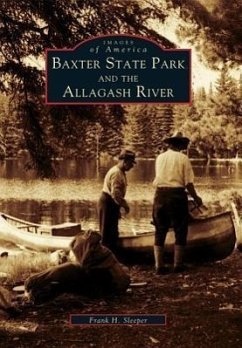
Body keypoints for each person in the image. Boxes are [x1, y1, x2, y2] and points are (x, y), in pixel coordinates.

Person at [152, 131, 203, 274]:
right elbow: (188, 183)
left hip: (160, 195)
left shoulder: (160, 158)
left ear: (170, 143)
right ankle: (178, 265)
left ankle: (159, 266)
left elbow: (164, 179)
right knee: (180, 229)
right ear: (180, 144)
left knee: (160, 230)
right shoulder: (183, 158)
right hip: (176, 197)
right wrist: (196, 198)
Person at [98, 149, 136, 253]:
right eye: (131, 163)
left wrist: (118, 208)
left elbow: (116, 196)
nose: (132, 166)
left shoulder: (120, 172)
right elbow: (116, 194)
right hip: (107, 203)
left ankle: (111, 256)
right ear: (124, 161)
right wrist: (125, 205)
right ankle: (105, 257)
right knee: (106, 234)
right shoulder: (116, 173)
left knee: (112, 232)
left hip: (111, 203)